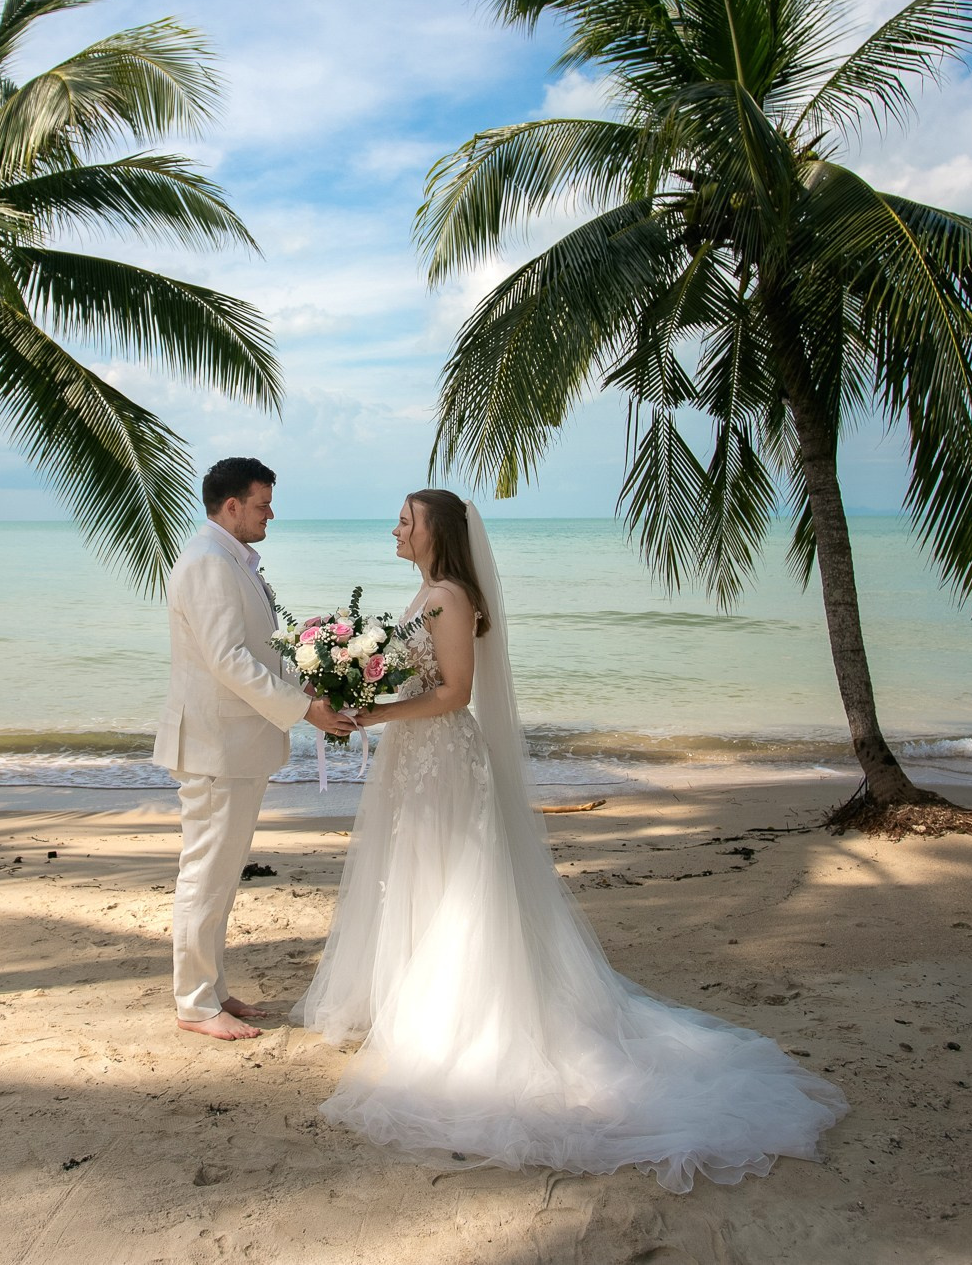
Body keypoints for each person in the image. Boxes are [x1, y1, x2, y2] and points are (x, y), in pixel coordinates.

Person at [293, 488, 848, 1190]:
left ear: (436, 531)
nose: (396, 527)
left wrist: (374, 714)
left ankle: (451, 1017)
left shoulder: (450, 597)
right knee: (417, 875)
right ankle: (411, 998)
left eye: (407, 518)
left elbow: (457, 693)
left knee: (456, 884)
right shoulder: (427, 594)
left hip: (442, 757)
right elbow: (417, 672)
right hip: (416, 758)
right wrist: (359, 686)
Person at [157, 457, 355, 1040]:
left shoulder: (230, 561)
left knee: (220, 874)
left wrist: (306, 683)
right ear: (232, 506)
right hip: (216, 747)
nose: (272, 513)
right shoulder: (209, 563)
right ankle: (194, 1004)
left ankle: (212, 989)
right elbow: (227, 660)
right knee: (206, 874)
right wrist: (303, 711)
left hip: (235, 745)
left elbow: (256, 652)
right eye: (263, 503)